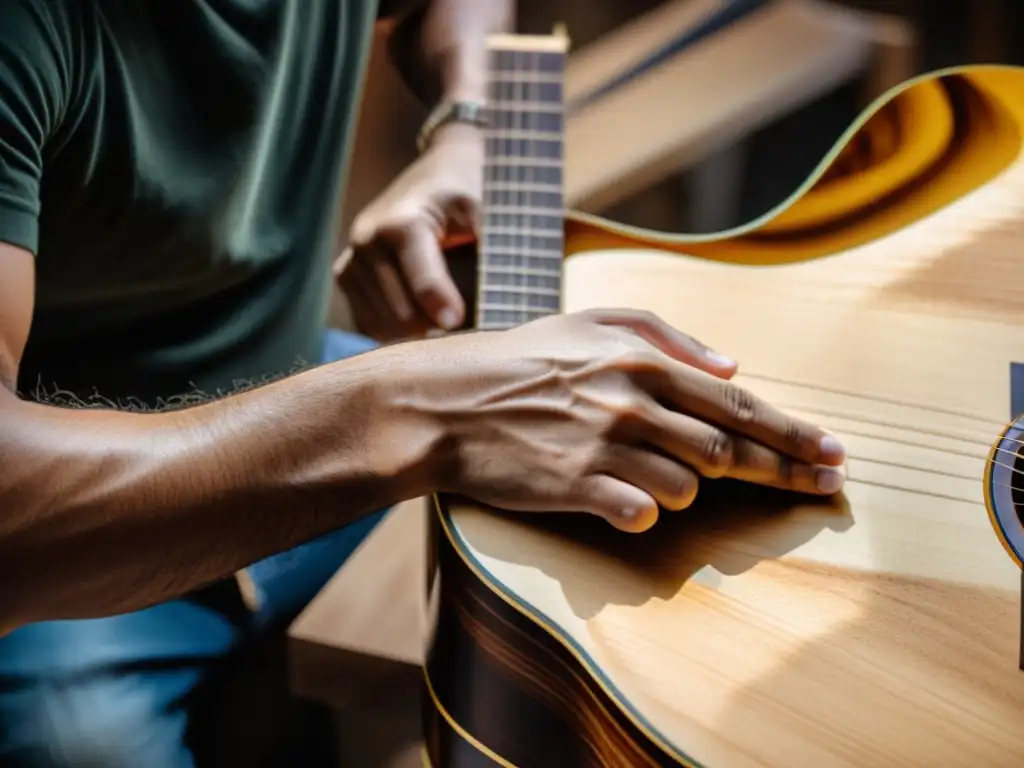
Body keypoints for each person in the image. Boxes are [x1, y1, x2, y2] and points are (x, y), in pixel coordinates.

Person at [0, 0, 847, 765]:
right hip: (85, 524)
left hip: (312, 384)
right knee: (82, 746)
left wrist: (469, 127)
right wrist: (416, 407)